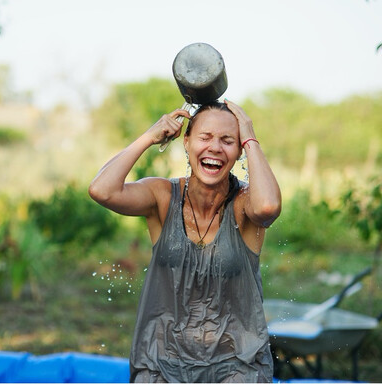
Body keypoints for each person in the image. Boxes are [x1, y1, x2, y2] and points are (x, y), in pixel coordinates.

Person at [88, 99, 282, 383]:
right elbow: (101, 190)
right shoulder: (162, 196)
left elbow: (267, 208)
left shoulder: (244, 204)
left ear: (239, 150)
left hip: (236, 365)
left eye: (228, 140)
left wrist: (250, 136)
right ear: (186, 141)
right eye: (205, 137)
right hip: (161, 361)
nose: (215, 147)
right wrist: (149, 137)